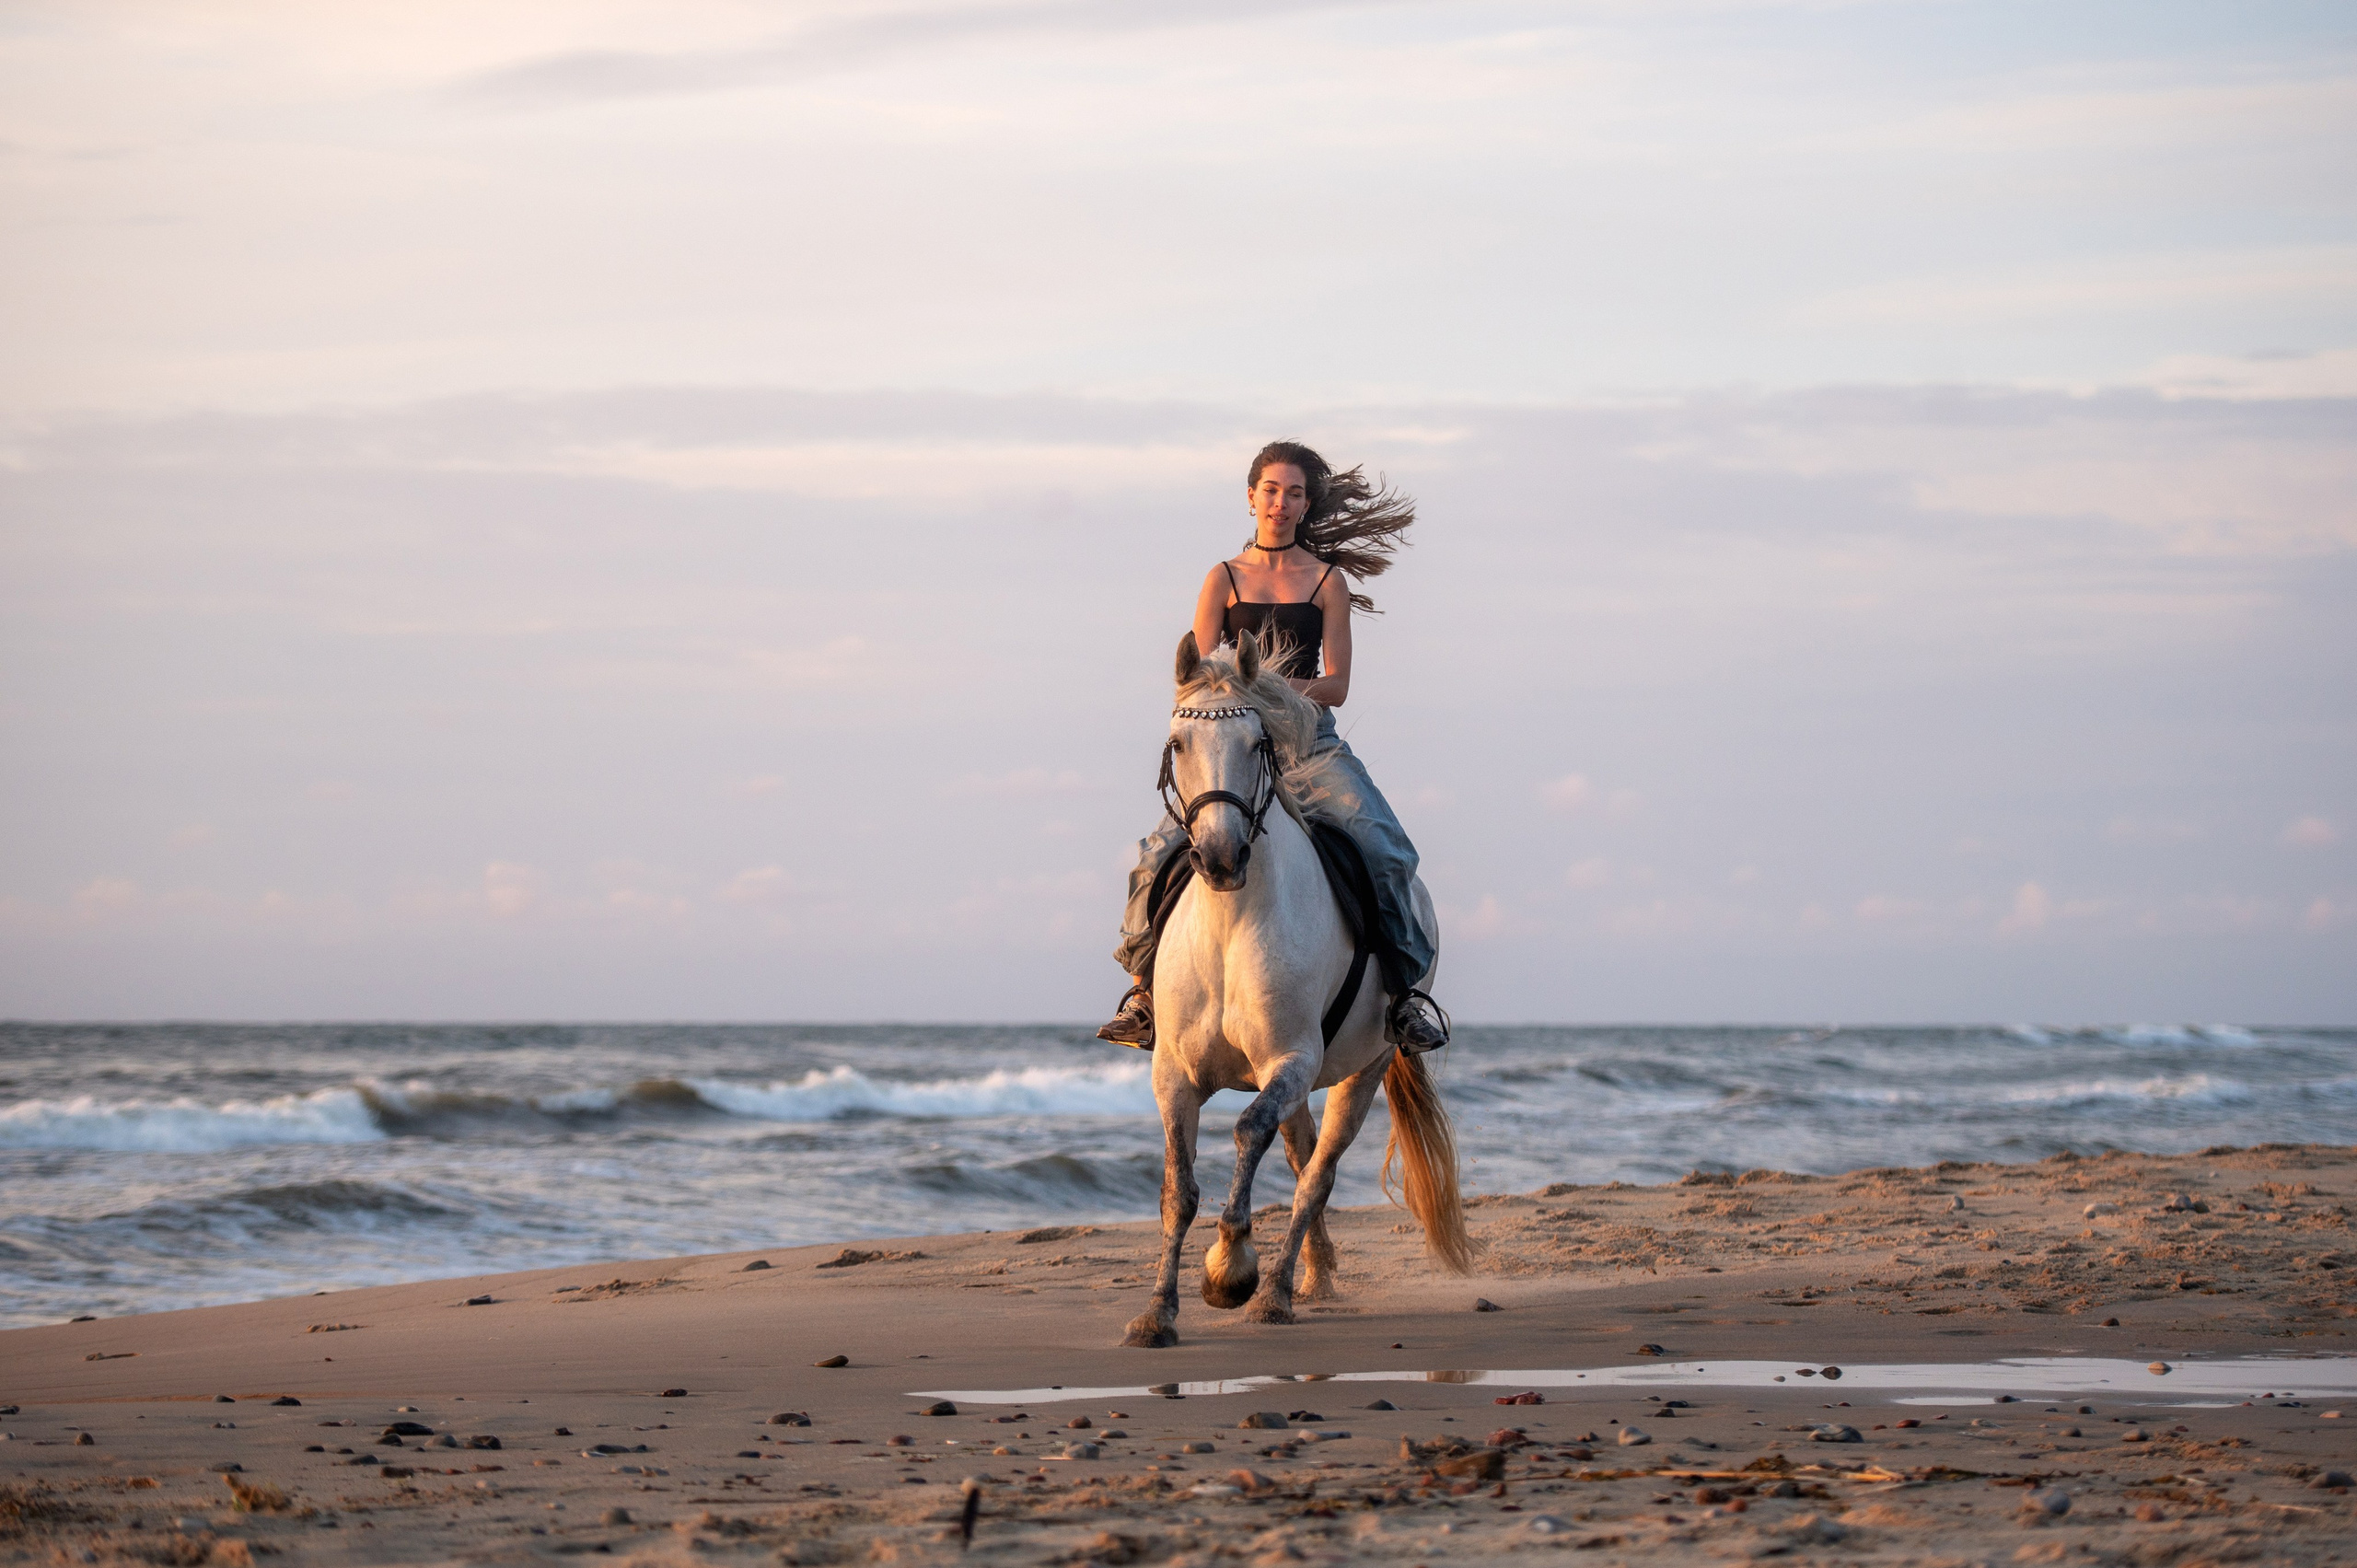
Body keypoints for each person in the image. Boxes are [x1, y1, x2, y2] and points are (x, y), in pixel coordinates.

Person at [1097, 440, 1449, 1054]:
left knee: (1387, 848)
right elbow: (1199, 679)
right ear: (1252, 495)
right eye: (1270, 490)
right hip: (1232, 750)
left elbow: (1336, 684)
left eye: (1293, 493)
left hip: (1310, 744)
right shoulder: (1223, 578)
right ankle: (1143, 995)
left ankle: (1403, 998)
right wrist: (1235, 696)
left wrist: (1269, 686)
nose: (1280, 503)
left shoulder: (1326, 581)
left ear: (1305, 503)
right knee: (1156, 852)